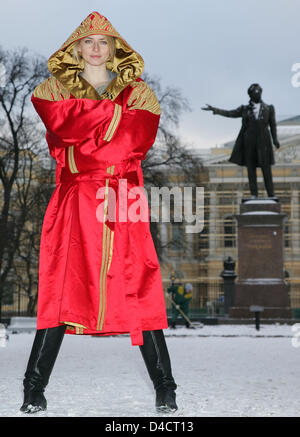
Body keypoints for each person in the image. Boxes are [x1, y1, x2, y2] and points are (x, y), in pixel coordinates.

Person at [20, 11, 177, 414]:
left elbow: (132, 146)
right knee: (60, 290)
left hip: (123, 198)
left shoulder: (140, 93)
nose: (95, 48)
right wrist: (113, 121)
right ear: (76, 48)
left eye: (103, 42)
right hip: (74, 199)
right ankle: (33, 388)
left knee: (140, 286)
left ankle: (166, 387)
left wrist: (84, 138)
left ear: (114, 48)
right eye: (88, 42)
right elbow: (61, 126)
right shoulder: (52, 89)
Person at [202, 84, 280, 199]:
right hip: (249, 143)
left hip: (264, 143)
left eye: (259, 92)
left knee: (266, 169)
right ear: (251, 95)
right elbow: (230, 113)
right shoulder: (244, 109)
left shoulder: (269, 108)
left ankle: (271, 194)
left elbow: (272, 125)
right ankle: (254, 194)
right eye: (255, 93)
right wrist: (215, 110)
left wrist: (275, 139)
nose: (258, 95)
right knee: (251, 170)